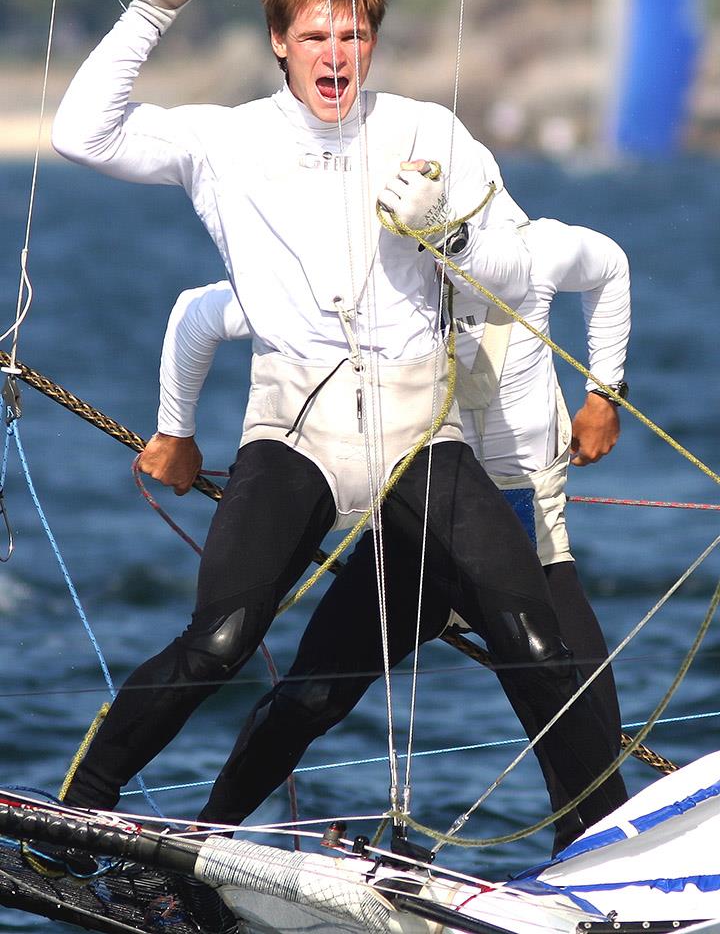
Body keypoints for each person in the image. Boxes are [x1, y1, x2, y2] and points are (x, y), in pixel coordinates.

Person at [51, 0, 626, 841]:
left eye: (352, 33)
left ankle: (596, 848)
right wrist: (150, 15)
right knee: (222, 642)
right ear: (280, 42)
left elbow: (522, 270)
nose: (335, 54)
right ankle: (81, 812)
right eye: (314, 34)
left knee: (532, 638)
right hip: (296, 425)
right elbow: (82, 136)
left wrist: (452, 231)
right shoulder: (223, 140)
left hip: (417, 429)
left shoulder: (426, 130)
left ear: (373, 40)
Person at [142, 214, 630, 853]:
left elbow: (612, 266)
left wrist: (604, 393)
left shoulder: (533, 252)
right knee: (308, 700)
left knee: (578, 711)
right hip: (415, 538)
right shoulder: (369, 279)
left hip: (526, 537)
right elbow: (198, 313)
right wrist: (175, 429)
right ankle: (203, 843)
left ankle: (601, 869)